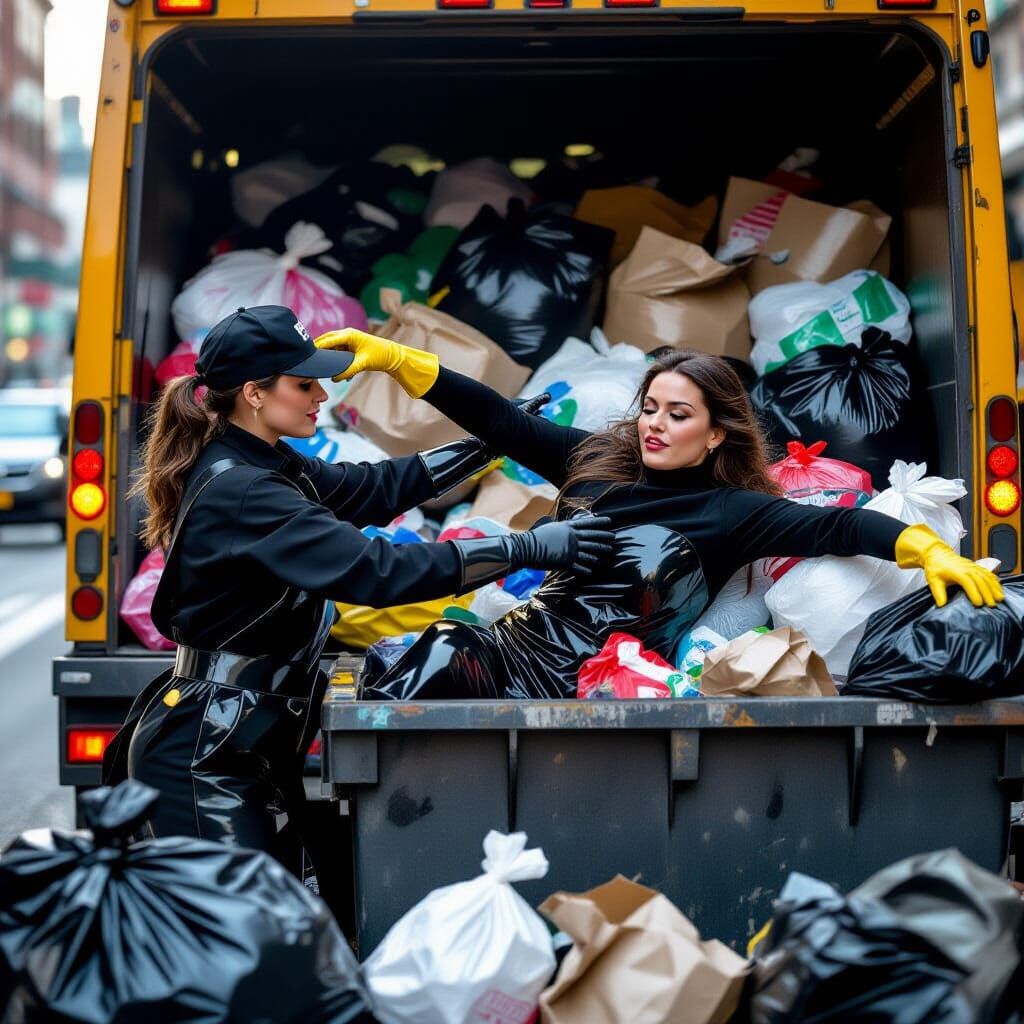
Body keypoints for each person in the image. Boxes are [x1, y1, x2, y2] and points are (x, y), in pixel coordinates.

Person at [102, 305, 614, 873]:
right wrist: (527, 547)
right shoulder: (245, 489)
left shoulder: (263, 462)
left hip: (241, 736)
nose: (321, 394)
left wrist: (496, 437)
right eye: (304, 383)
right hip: (205, 752)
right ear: (253, 392)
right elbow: (376, 571)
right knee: (244, 940)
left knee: (278, 926)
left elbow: (368, 489)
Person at [312, 328, 1004, 701]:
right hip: (509, 654)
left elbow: (841, 526)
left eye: (677, 415)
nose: (654, 425)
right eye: (648, 409)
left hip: (603, 687)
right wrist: (398, 361)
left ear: (715, 434)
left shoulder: (734, 512)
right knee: (430, 653)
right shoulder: (592, 461)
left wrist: (926, 549)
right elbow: (498, 418)